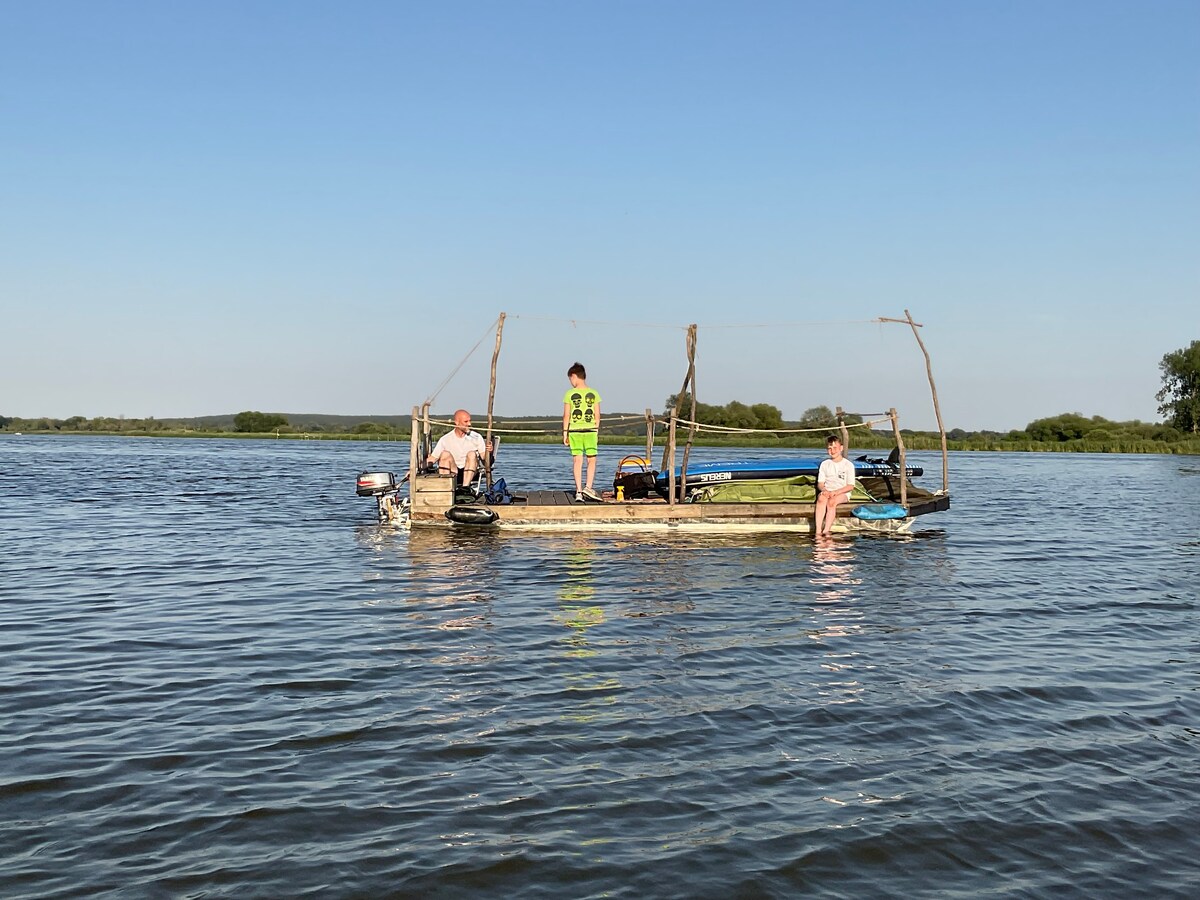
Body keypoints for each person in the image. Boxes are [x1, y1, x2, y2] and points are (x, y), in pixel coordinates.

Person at [562, 362, 601, 502]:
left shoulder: (569, 394)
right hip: (590, 430)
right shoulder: (594, 393)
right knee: (592, 460)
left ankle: (579, 490)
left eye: (570, 379)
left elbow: (566, 416)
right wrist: (596, 432)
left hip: (575, 430)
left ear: (574, 376)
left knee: (577, 460)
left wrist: (565, 434)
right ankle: (588, 487)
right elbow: (597, 416)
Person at [427, 409, 491, 488]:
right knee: (444, 454)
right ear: (457, 422)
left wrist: (489, 451)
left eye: (469, 421)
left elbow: (484, 458)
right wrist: (414, 469)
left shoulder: (476, 437)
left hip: (471, 472)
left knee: (471, 454)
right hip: (453, 471)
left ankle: (465, 489)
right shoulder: (445, 439)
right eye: (466, 422)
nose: (469, 424)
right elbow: (433, 458)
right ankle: (446, 488)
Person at [814, 434, 855, 536]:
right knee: (821, 499)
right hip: (827, 490)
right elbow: (820, 483)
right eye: (829, 448)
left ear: (841, 448)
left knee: (832, 502)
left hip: (842, 492)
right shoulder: (825, 464)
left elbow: (850, 486)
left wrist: (836, 492)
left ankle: (826, 530)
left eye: (835, 448)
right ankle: (818, 531)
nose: (832, 451)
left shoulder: (848, 465)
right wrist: (824, 490)